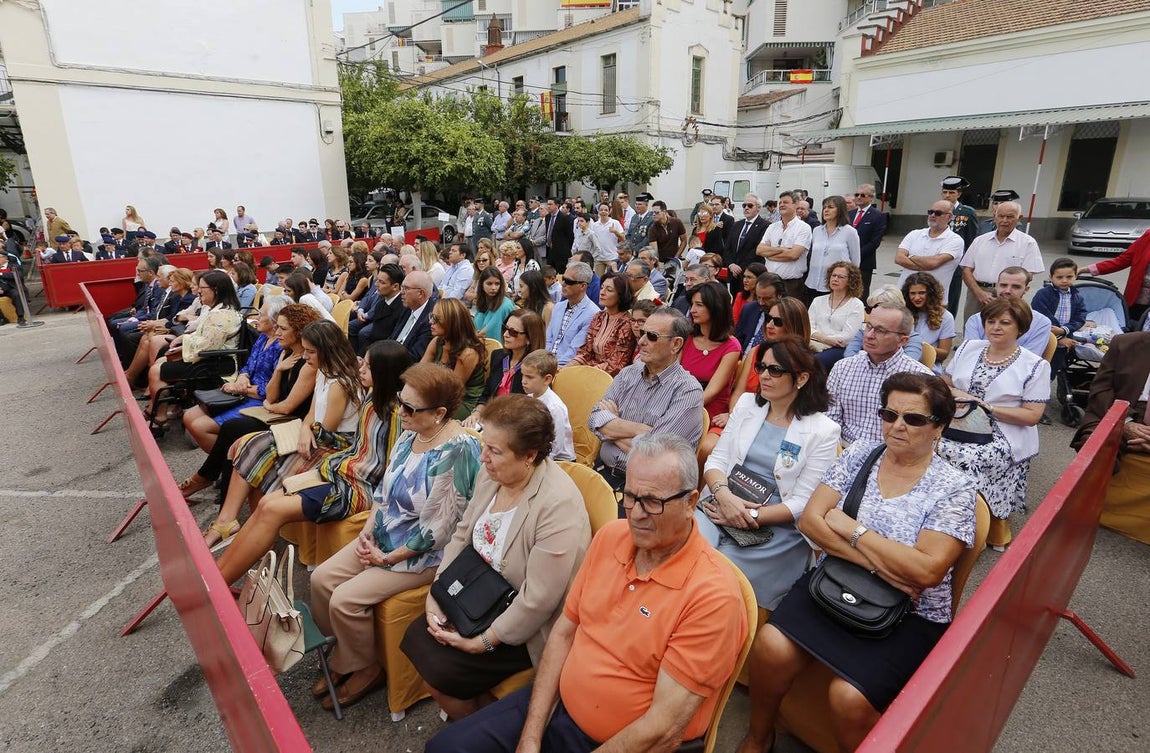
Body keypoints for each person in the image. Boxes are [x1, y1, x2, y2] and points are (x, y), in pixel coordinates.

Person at [425, 433, 748, 753]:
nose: (635, 514)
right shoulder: (611, 537)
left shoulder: (713, 596)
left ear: (690, 502)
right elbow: (564, 633)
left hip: (623, 743)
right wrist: (531, 736)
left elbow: (662, 729)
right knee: (444, 748)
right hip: (559, 707)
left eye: (653, 502)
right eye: (630, 496)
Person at [736, 372, 976, 753]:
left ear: (939, 428)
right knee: (770, 646)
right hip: (837, 581)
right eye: (889, 414)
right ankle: (759, 736)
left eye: (913, 419)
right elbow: (812, 520)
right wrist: (881, 566)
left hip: (910, 613)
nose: (897, 426)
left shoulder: (954, 488)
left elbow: (927, 571)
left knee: (848, 697)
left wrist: (853, 529)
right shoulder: (862, 453)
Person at [306, 364, 481, 711]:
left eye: (410, 408)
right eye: (401, 401)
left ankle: (366, 668)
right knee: (321, 580)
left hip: (424, 555)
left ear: (439, 413)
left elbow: (437, 532)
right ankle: (348, 649)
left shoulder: (458, 451)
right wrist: (367, 531)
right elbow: (384, 492)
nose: (400, 412)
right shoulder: (411, 432)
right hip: (385, 535)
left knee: (344, 599)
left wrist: (386, 558)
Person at [400, 394, 587, 720]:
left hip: (521, 620)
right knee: (418, 637)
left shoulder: (558, 506)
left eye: (494, 451)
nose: (482, 457)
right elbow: (462, 534)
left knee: (441, 669)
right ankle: (479, 717)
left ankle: (481, 725)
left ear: (529, 456)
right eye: (484, 445)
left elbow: (537, 600)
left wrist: (484, 642)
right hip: (478, 592)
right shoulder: (494, 473)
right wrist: (437, 590)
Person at [203, 338, 409, 551]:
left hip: (349, 477)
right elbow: (324, 424)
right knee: (250, 445)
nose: (304, 355)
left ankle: (243, 536)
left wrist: (315, 438)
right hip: (340, 463)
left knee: (255, 452)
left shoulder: (388, 409)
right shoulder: (367, 395)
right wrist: (306, 428)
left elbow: (385, 467)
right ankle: (232, 527)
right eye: (362, 363)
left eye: (310, 351)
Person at [699, 337, 840, 609]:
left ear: (801, 378)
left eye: (775, 370)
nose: (764, 375)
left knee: (721, 574)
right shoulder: (747, 405)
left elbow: (803, 502)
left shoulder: (823, 431)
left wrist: (749, 516)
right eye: (761, 367)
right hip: (722, 501)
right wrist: (725, 497)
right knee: (688, 551)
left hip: (775, 525)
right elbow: (717, 459)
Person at [937, 296, 1050, 545]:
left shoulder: (1035, 365)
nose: (996, 327)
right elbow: (946, 383)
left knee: (966, 457)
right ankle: (933, 512)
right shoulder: (969, 347)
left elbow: (1032, 415)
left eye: (1005, 322)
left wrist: (985, 407)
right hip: (958, 420)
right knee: (924, 442)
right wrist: (960, 397)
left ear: (1020, 327)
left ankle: (965, 526)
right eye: (991, 321)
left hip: (1003, 431)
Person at [589, 307, 704, 490]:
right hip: (603, 472)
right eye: (642, 333)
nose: (641, 341)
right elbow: (594, 418)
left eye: (652, 336)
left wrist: (611, 429)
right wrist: (642, 431)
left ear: (675, 344)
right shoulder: (628, 373)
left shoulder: (688, 391)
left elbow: (656, 454)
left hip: (648, 490)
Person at [181, 294, 289, 454]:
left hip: (261, 402)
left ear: (275, 322)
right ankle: (226, 458)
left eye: (261, 315)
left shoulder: (281, 348)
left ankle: (228, 464)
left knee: (200, 426)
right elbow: (248, 365)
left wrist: (240, 389)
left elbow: (273, 392)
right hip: (245, 392)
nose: (256, 318)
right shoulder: (263, 338)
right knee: (189, 416)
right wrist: (242, 377)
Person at [145, 270, 244, 425]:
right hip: (210, 359)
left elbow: (208, 347)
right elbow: (203, 338)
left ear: (216, 290)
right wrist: (184, 339)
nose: (198, 291)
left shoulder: (221, 315)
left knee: (156, 370)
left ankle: (159, 416)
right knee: (161, 360)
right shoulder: (217, 310)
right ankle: (161, 409)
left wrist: (184, 344)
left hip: (217, 364)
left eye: (202, 288)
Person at [826, 302, 932, 445]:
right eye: (868, 326)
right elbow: (830, 420)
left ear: (902, 340)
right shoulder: (843, 368)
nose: (869, 335)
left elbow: (923, 435)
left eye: (880, 331)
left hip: (893, 452)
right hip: (844, 448)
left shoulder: (920, 378)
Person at [959, 200, 1044, 325]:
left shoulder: (1028, 243)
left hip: (1009, 295)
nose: (1005, 220)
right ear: (995, 216)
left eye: (1010, 217)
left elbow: (1029, 274)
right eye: (1001, 216)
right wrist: (979, 293)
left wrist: (1005, 292)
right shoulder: (980, 241)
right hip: (977, 293)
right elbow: (967, 269)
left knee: (1004, 328)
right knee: (973, 326)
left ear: (1019, 218)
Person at [464, 309, 546, 429]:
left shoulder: (536, 370)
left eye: (513, 332)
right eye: (505, 328)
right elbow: (487, 394)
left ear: (529, 338)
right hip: (490, 420)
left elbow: (533, 414)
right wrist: (476, 413)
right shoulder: (498, 356)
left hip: (515, 428)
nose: (505, 334)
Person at [730, 296, 812, 411]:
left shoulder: (804, 362)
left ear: (794, 325)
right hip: (744, 414)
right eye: (768, 318)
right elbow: (738, 393)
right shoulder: (756, 351)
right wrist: (733, 416)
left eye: (778, 322)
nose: (769, 325)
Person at [683, 281, 742, 440]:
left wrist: (678, 407)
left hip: (709, 410)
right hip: (680, 399)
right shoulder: (687, 337)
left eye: (699, 305)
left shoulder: (731, 346)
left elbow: (712, 391)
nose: (693, 310)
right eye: (692, 304)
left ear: (716, 308)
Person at [962, 267, 1054, 357]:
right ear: (997, 286)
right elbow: (970, 355)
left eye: (1016, 287)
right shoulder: (976, 320)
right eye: (1003, 285)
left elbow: (1029, 360)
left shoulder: (1041, 323)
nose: (1007, 291)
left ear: (1026, 289)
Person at [422, 297, 486, 419]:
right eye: (431, 316)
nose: (430, 321)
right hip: (436, 394)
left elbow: (451, 391)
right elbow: (419, 372)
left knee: (419, 413)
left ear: (452, 323)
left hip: (461, 402)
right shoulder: (437, 341)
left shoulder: (468, 354)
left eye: (436, 319)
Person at [895, 200, 964, 308]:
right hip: (904, 298)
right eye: (930, 212)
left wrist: (911, 257)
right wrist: (925, 266)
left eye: (938, 213)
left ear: (949, 216)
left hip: (933, 301)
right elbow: (899, 258)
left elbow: (933, 263)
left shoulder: (955, 240)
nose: (932, 215)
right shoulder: (914, 234)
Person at [568, 271, 636, 377]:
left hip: (610, 378)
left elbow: (617, 364)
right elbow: (586, 351)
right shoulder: (599, 317)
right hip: (589, 371)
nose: (602, 292)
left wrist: (585, 373)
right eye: (602, 288)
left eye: (609, 290)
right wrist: (568, 366)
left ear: (621, 295)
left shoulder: (626, 323)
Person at [1031, 257, 1086, 375]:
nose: (1064, 280)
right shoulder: (1043, 294)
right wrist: (1059, 337)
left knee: (1053, 369)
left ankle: (1048, 383)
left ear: (1075, 276)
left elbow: (1080, 317)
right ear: (1051, 277)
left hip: (1065, 338)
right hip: (1043, 337)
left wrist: (1064, 330)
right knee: (1036, 366)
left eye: (1069, 277)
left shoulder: (1077, 297)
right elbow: (1041, 315)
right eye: (1059, 277)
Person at [808, 261, 866, 370]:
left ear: (850, 281)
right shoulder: (817, 301)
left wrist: (826, 341)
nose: (835, 279)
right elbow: (808, 327)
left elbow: (848, 336)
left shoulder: (856, 304)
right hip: (814, 342)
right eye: (833, 275)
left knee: (816, 360)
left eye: (841, 277)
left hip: (838, 347)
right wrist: (824, 339)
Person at [1084, 228, 1150, 321]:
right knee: (1132, 325)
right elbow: (1122, 261)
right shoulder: (1148, 236)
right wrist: (1084, 270)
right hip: (1139, 300)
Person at [757, 192, 812, 300]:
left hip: (791, 285)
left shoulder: (804, 228)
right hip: (770, 282)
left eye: (785, 202)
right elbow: (759, 250)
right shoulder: (772, 227)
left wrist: (769, 253)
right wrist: (784, 250)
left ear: (796, 204)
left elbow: (793, 255)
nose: (781, 205)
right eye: (780, 203)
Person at [545, 261, 600, 366]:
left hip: (566, 368)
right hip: (547, 363)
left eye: (569, 281)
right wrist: (545, 362)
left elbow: (575, 350)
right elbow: (548, 339)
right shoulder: (558, 307)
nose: (563, 284)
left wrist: (554, 367)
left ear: (583, 286)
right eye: (563, 279)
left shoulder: (593, 314)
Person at [902, 272, 955, 368]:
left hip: (929, 367)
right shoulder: (903, 313)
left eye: (921, 293)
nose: (917, 298)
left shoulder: (946, 317)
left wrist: (917, 346)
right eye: (912, 293)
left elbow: (944, 353)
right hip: (903, 363)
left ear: (931, 293)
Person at [849, 184, 887, 297]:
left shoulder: (878, 216)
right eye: (857, 195)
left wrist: (856, 254)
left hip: (864, 262)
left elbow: (874, 242)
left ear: (871, 198)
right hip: (846, 260)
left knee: (861, 293)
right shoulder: (850, 214)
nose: (858, 197)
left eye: (862, 195)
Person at [389, 270, 436, 360]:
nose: (401, 292)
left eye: (406, 288)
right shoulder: (407, 307)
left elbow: (415, 356)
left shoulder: (431, 319)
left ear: (420, 293)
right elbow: (393, 337)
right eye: (402, 287)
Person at [734, 272, 786, 351]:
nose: (761, 303)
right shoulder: (749, 309)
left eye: (766, 299)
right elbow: (738, 339)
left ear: (779, 296)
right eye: (758, 297)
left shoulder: (787, 314)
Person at [472, 267, 516, 341]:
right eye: (489, 284)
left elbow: (489, 330)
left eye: (497, 284)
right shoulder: (483, 300)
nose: (493, 288)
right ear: (482, 284)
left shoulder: (505, 305)